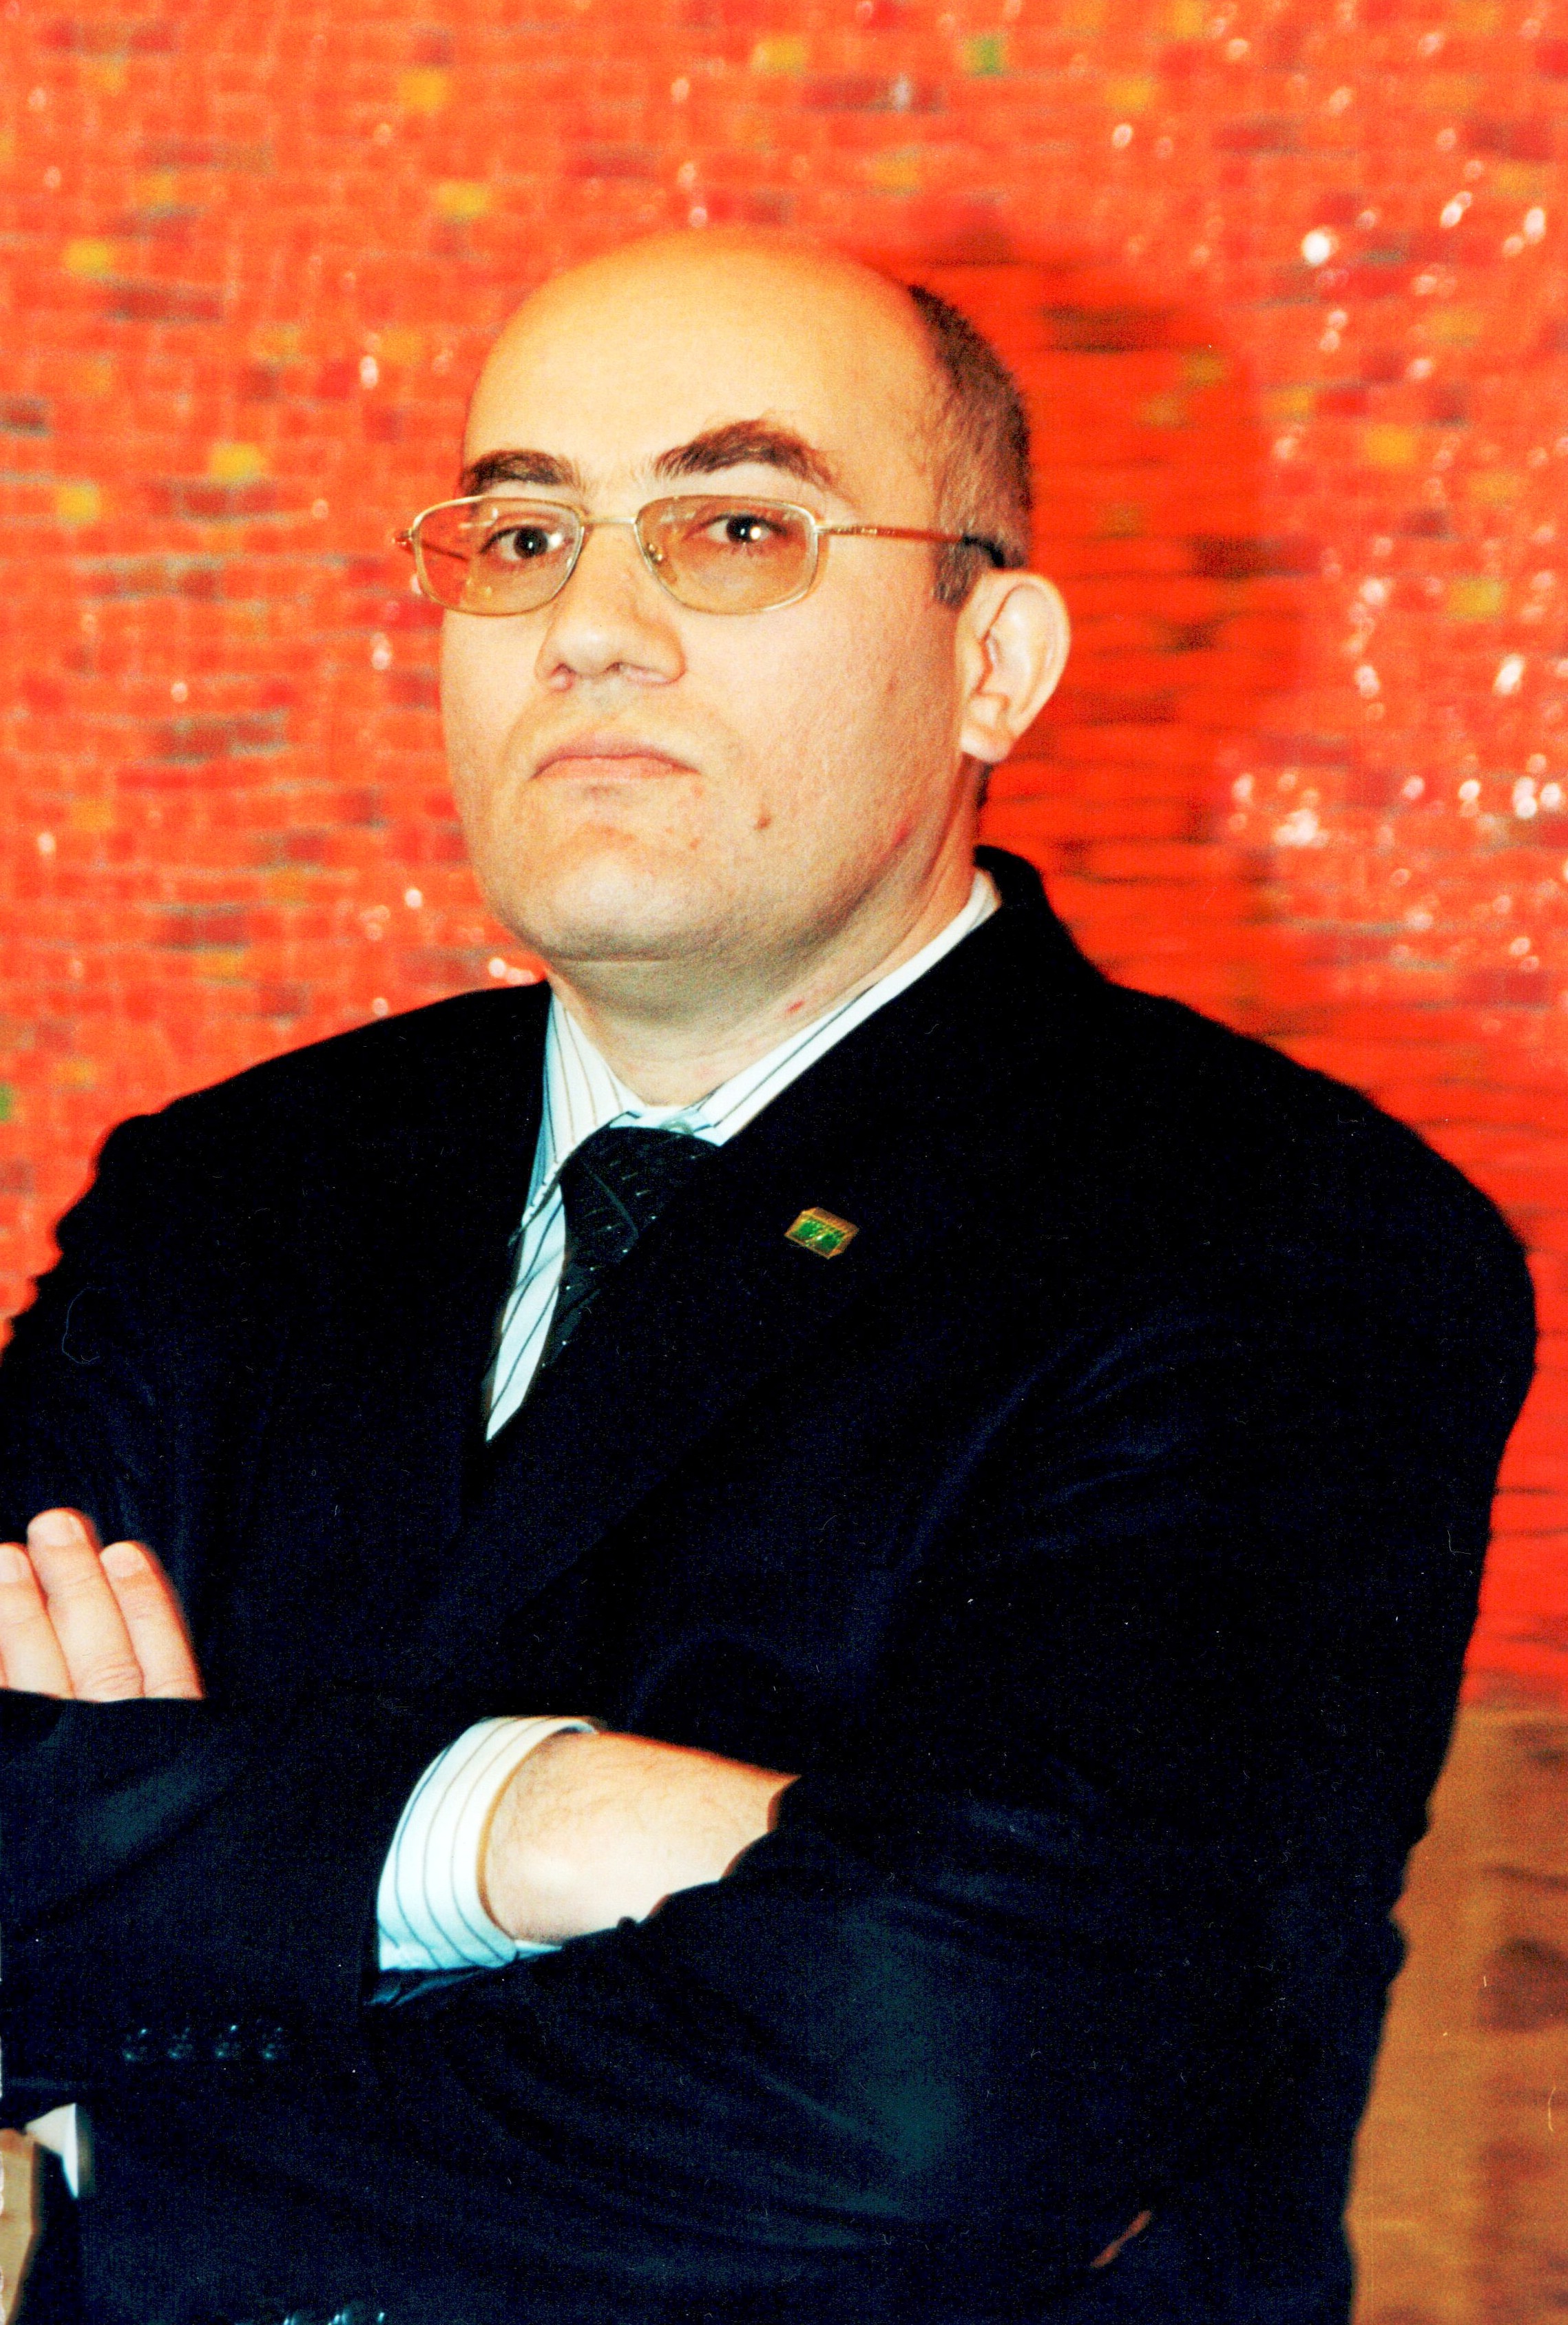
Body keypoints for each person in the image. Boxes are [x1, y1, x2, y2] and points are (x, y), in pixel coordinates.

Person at [0, 230, 1535, 2325]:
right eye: (521, 535)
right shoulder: (236, 1192)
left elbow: (949, 2089)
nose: (589, 630)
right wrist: (524, 1823)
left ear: (994, 661)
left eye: (734, 529)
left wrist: (131, 2071)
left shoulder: (1282, 1240)